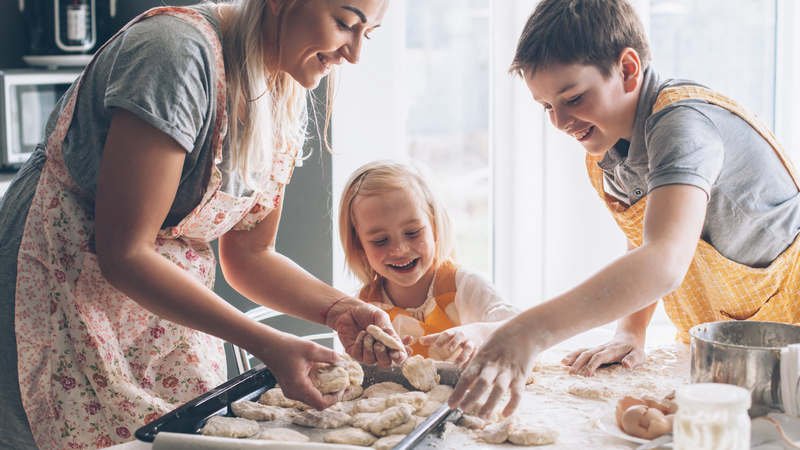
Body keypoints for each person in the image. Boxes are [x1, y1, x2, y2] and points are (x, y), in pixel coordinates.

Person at [0, 1, 406, 449]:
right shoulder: (174, 54)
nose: (354, 55)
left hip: (162, 313)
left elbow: (251, 255)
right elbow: (125, 253)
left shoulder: (282, 85)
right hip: (59, 293)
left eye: (367, 34)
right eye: (345, 24)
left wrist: (339, 310)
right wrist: (268, 345)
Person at [448, 0, 800, 420]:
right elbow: (644, 241)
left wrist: (529, 332)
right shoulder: (609, 149)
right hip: (726, 342)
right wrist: (632, 330)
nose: (559, 122)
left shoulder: (682, 124)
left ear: (629, 69)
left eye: (573, 97)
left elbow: (663, 261)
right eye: (546, 107)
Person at [338, 160, 521, 368]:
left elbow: (524, 329)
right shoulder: (365, 307)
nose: (400, 249)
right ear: (359, 245)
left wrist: (478, 332)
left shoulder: (461, 285)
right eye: (380, 240)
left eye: (412, 232)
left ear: (434, 227)